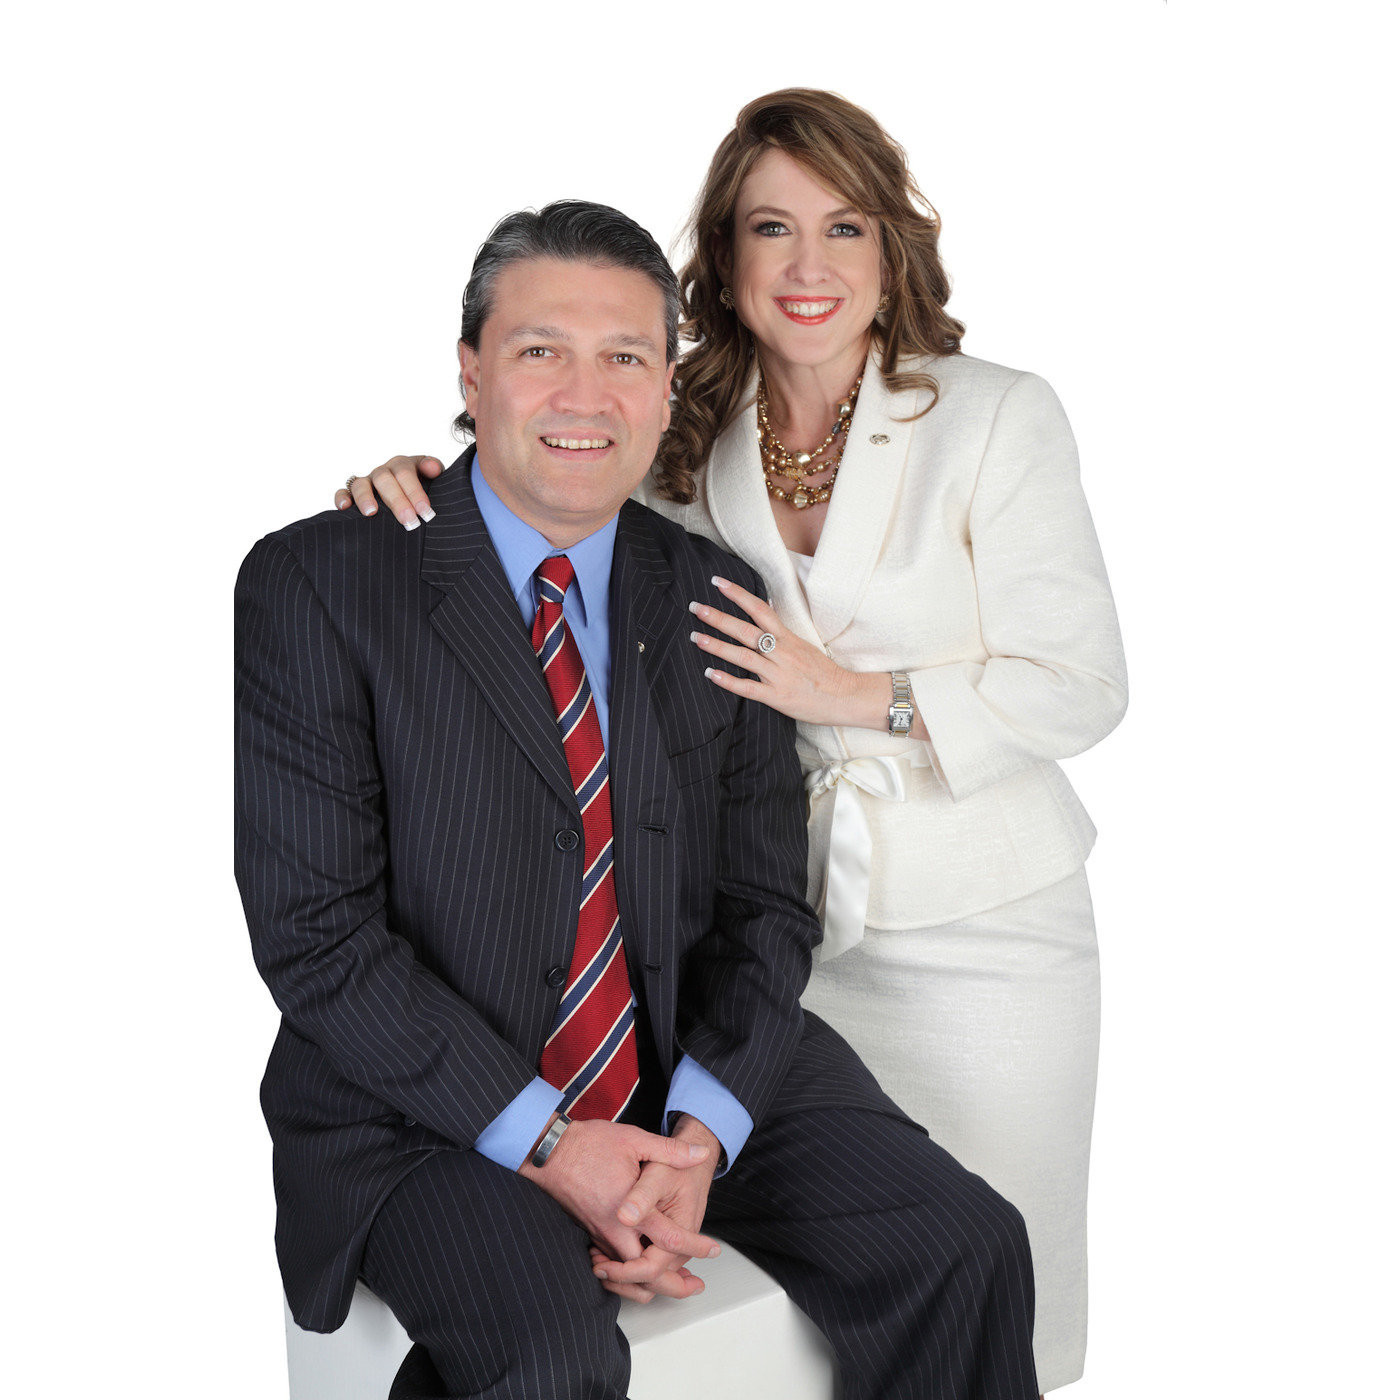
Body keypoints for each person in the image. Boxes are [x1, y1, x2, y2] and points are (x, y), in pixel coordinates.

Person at [337, 90, 1126, 1393]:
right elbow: (560, 479)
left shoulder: (992, 417)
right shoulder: (687, 430)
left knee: (994, 1270)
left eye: (845, 227)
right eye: (772, 228)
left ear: (892, 251)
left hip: (981, 922)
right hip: (772, 936)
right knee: (797, 1301)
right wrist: (425, 483)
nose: (809, 264)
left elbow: (1083, 686)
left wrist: (855, 693)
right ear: (726, 254)